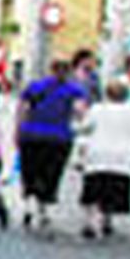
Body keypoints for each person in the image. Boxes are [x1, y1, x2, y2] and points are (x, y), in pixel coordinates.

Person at [16, 57, 88, 231]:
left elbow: (23, 110)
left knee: (30, 170)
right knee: (51, 173)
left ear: (51, 69)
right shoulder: (74, 90)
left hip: (31, 134)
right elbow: (80, 112)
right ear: (69, 71)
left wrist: (18, 131)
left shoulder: (35, 87)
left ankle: (28, 206)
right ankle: (44, 209)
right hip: (58, 137)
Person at [76, 78, 130, 240]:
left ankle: (92, 222)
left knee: (94, 191)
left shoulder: (97, 109)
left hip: (97, 156)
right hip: (122, 159)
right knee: (113, 190)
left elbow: (83, 127)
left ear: (107, 94)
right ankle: (106, 220)